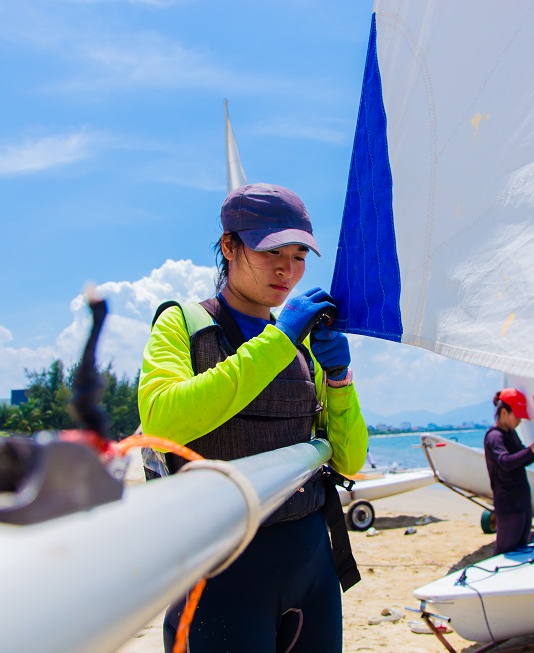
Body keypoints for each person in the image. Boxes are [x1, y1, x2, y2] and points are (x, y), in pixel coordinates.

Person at [138, 182, 368, 653]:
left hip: (312, 567)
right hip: (220, 574)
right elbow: (162, 421)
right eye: (271, 252)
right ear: (229, 245)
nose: (288, 270)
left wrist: (340, 378)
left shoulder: (303, 346)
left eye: (300, 254)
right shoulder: (182, 324)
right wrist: (279, 338)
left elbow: (349, 459)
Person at [483, 388, 534, 554]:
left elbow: (522, 461)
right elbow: (505, 462)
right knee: (506, 551)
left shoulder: (511, 433)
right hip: (508, 504)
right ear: (504, 412)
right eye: (517, 415)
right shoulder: (494, 437)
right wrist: (531, 449)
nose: (520, 420)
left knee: (521, 550)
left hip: (522, 501)